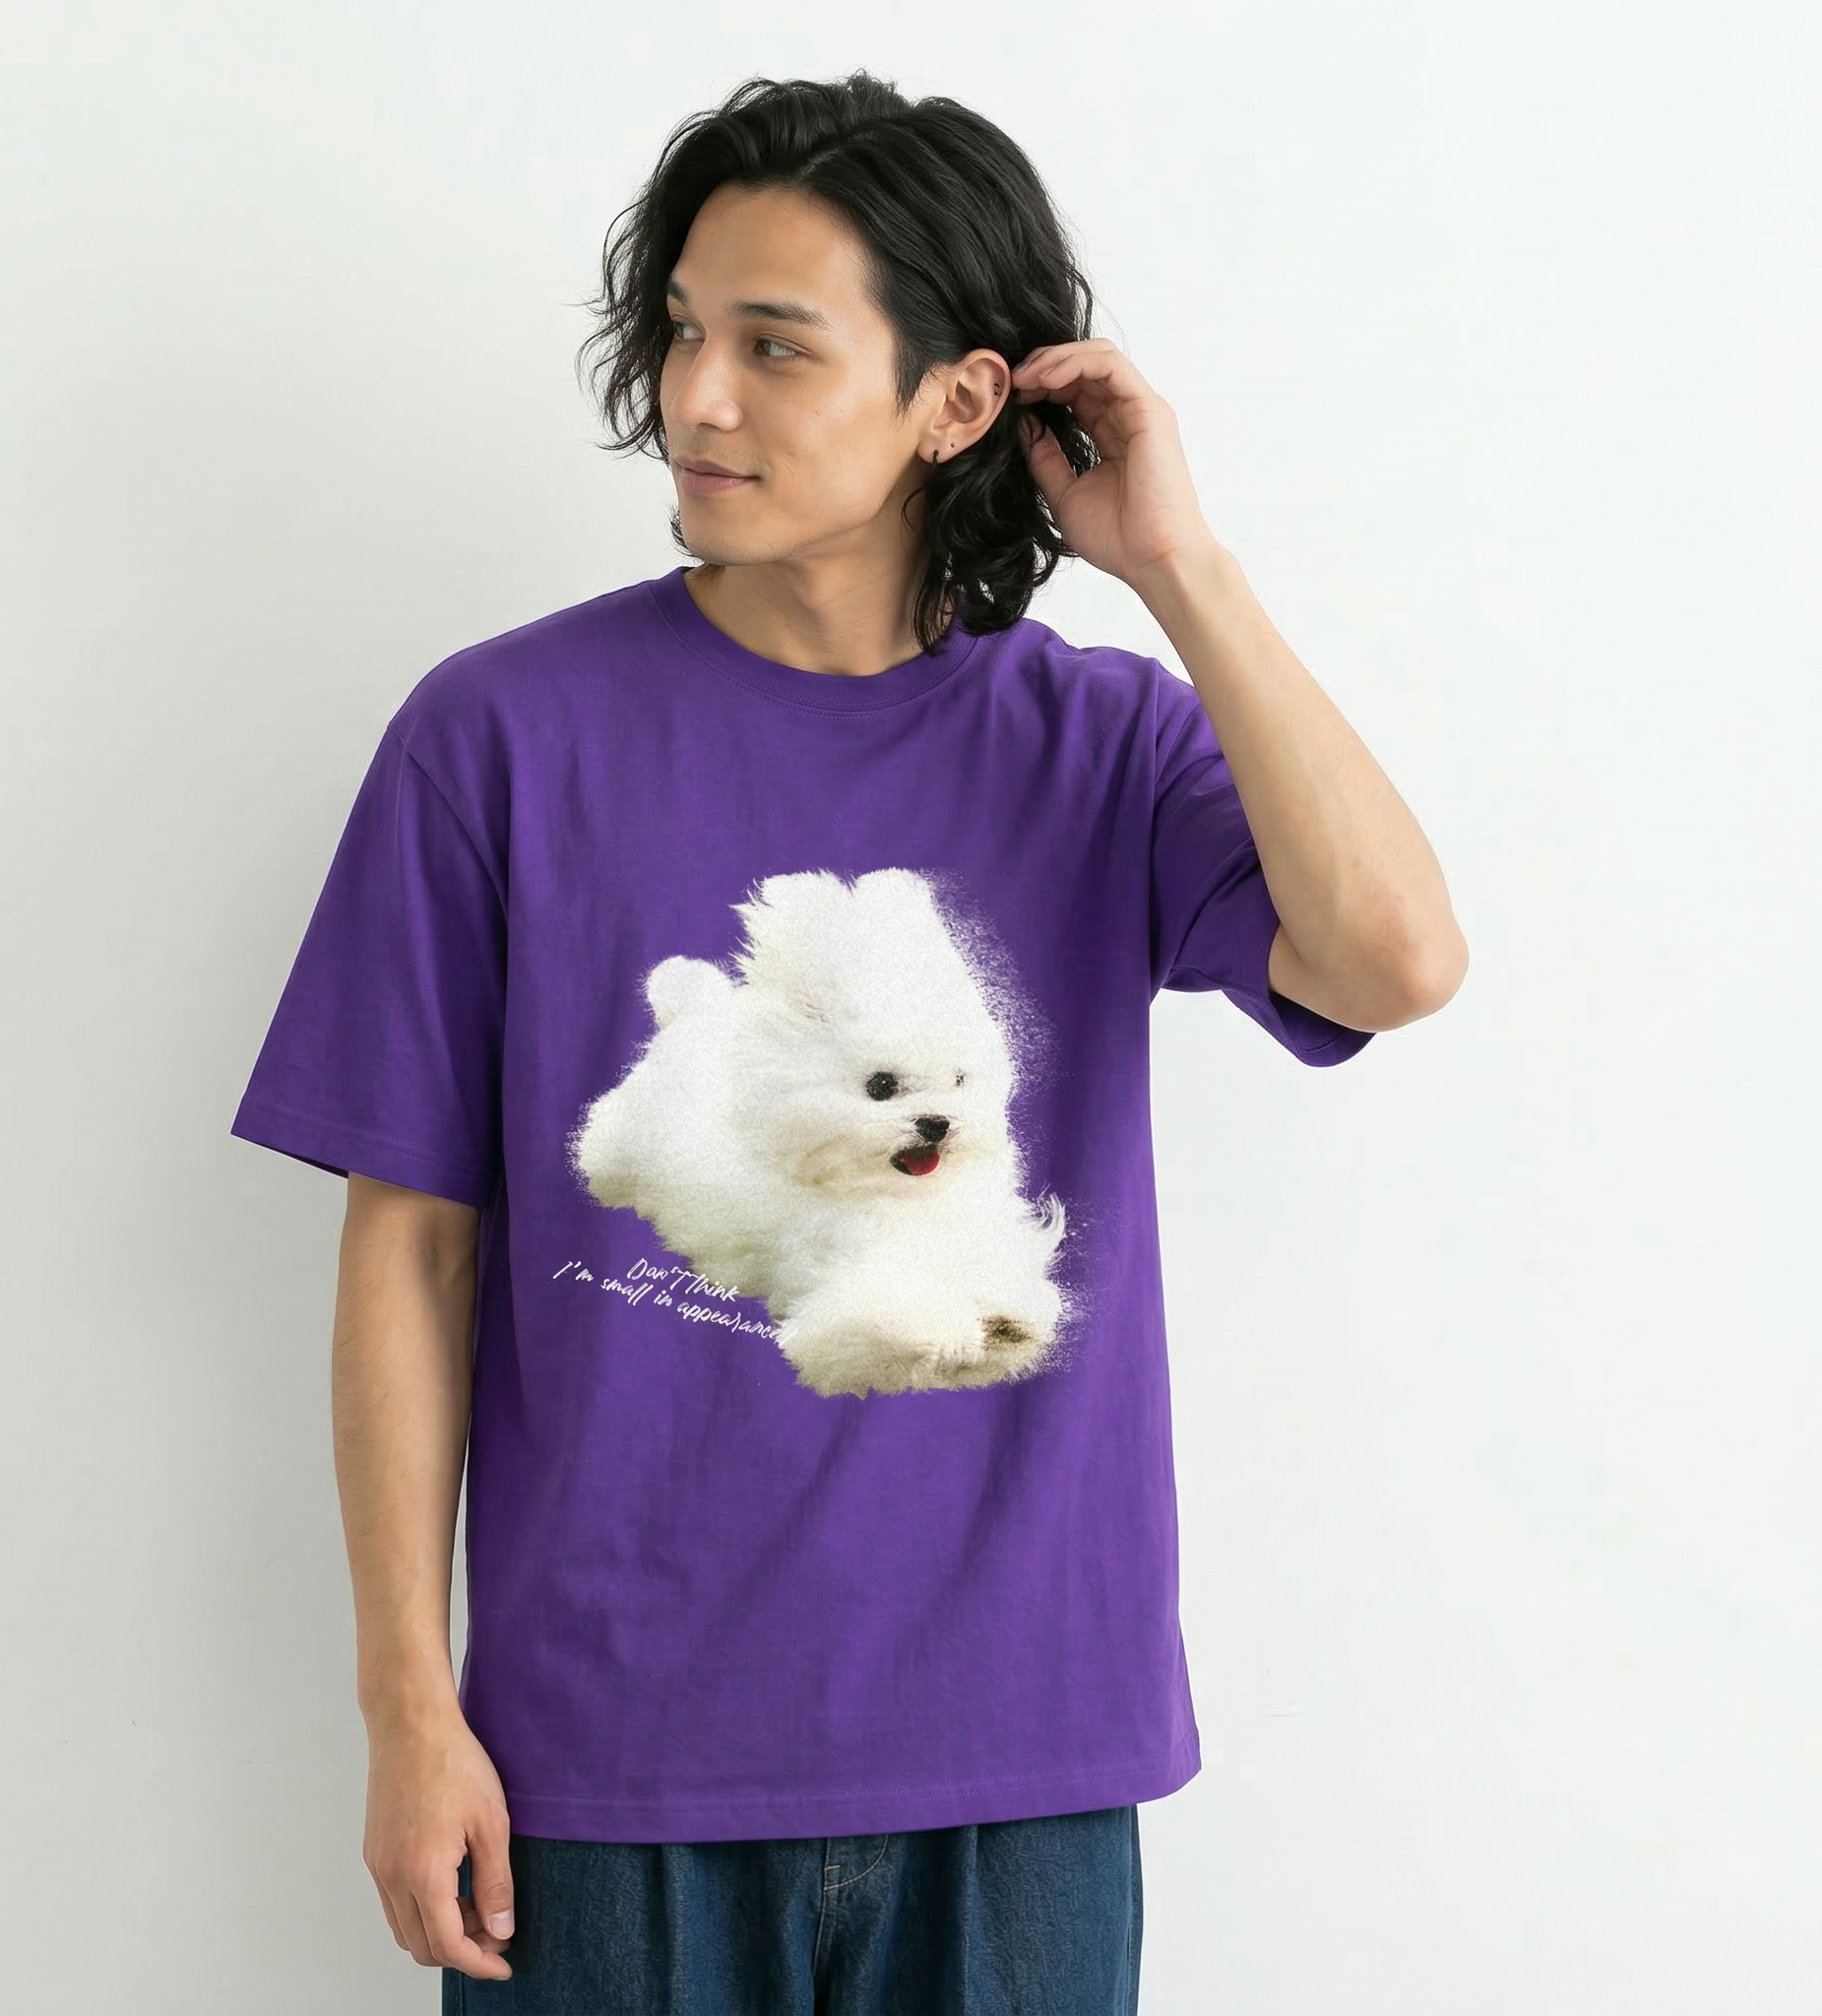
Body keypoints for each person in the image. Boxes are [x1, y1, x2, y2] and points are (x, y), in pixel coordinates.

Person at [230, 68, 1466, 2015]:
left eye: (775, 346)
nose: (696, 397)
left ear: (956, 402)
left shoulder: (1101, 743)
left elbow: (1395, 959)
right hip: (599, 1760)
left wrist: (1181, 570)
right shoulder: (499, 738)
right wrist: (408, 1704)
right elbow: (414, 1243)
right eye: (681, 332)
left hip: (1018, 1753)